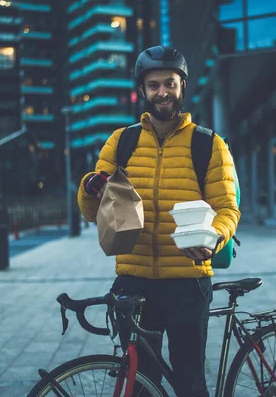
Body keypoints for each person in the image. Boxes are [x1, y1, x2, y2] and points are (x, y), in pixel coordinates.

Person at [77, 45, 240, 397]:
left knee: (189, 383)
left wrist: (214, 238)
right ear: (143, 91)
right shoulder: (122, 142)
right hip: (133, 282)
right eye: (154, 85)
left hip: (187, 281)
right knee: (139, 383)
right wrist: (91, 187)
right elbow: (93, 211)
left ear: (182, 86)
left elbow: (227, 209)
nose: (162, 92)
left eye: (169, 83)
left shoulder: (208, 145)